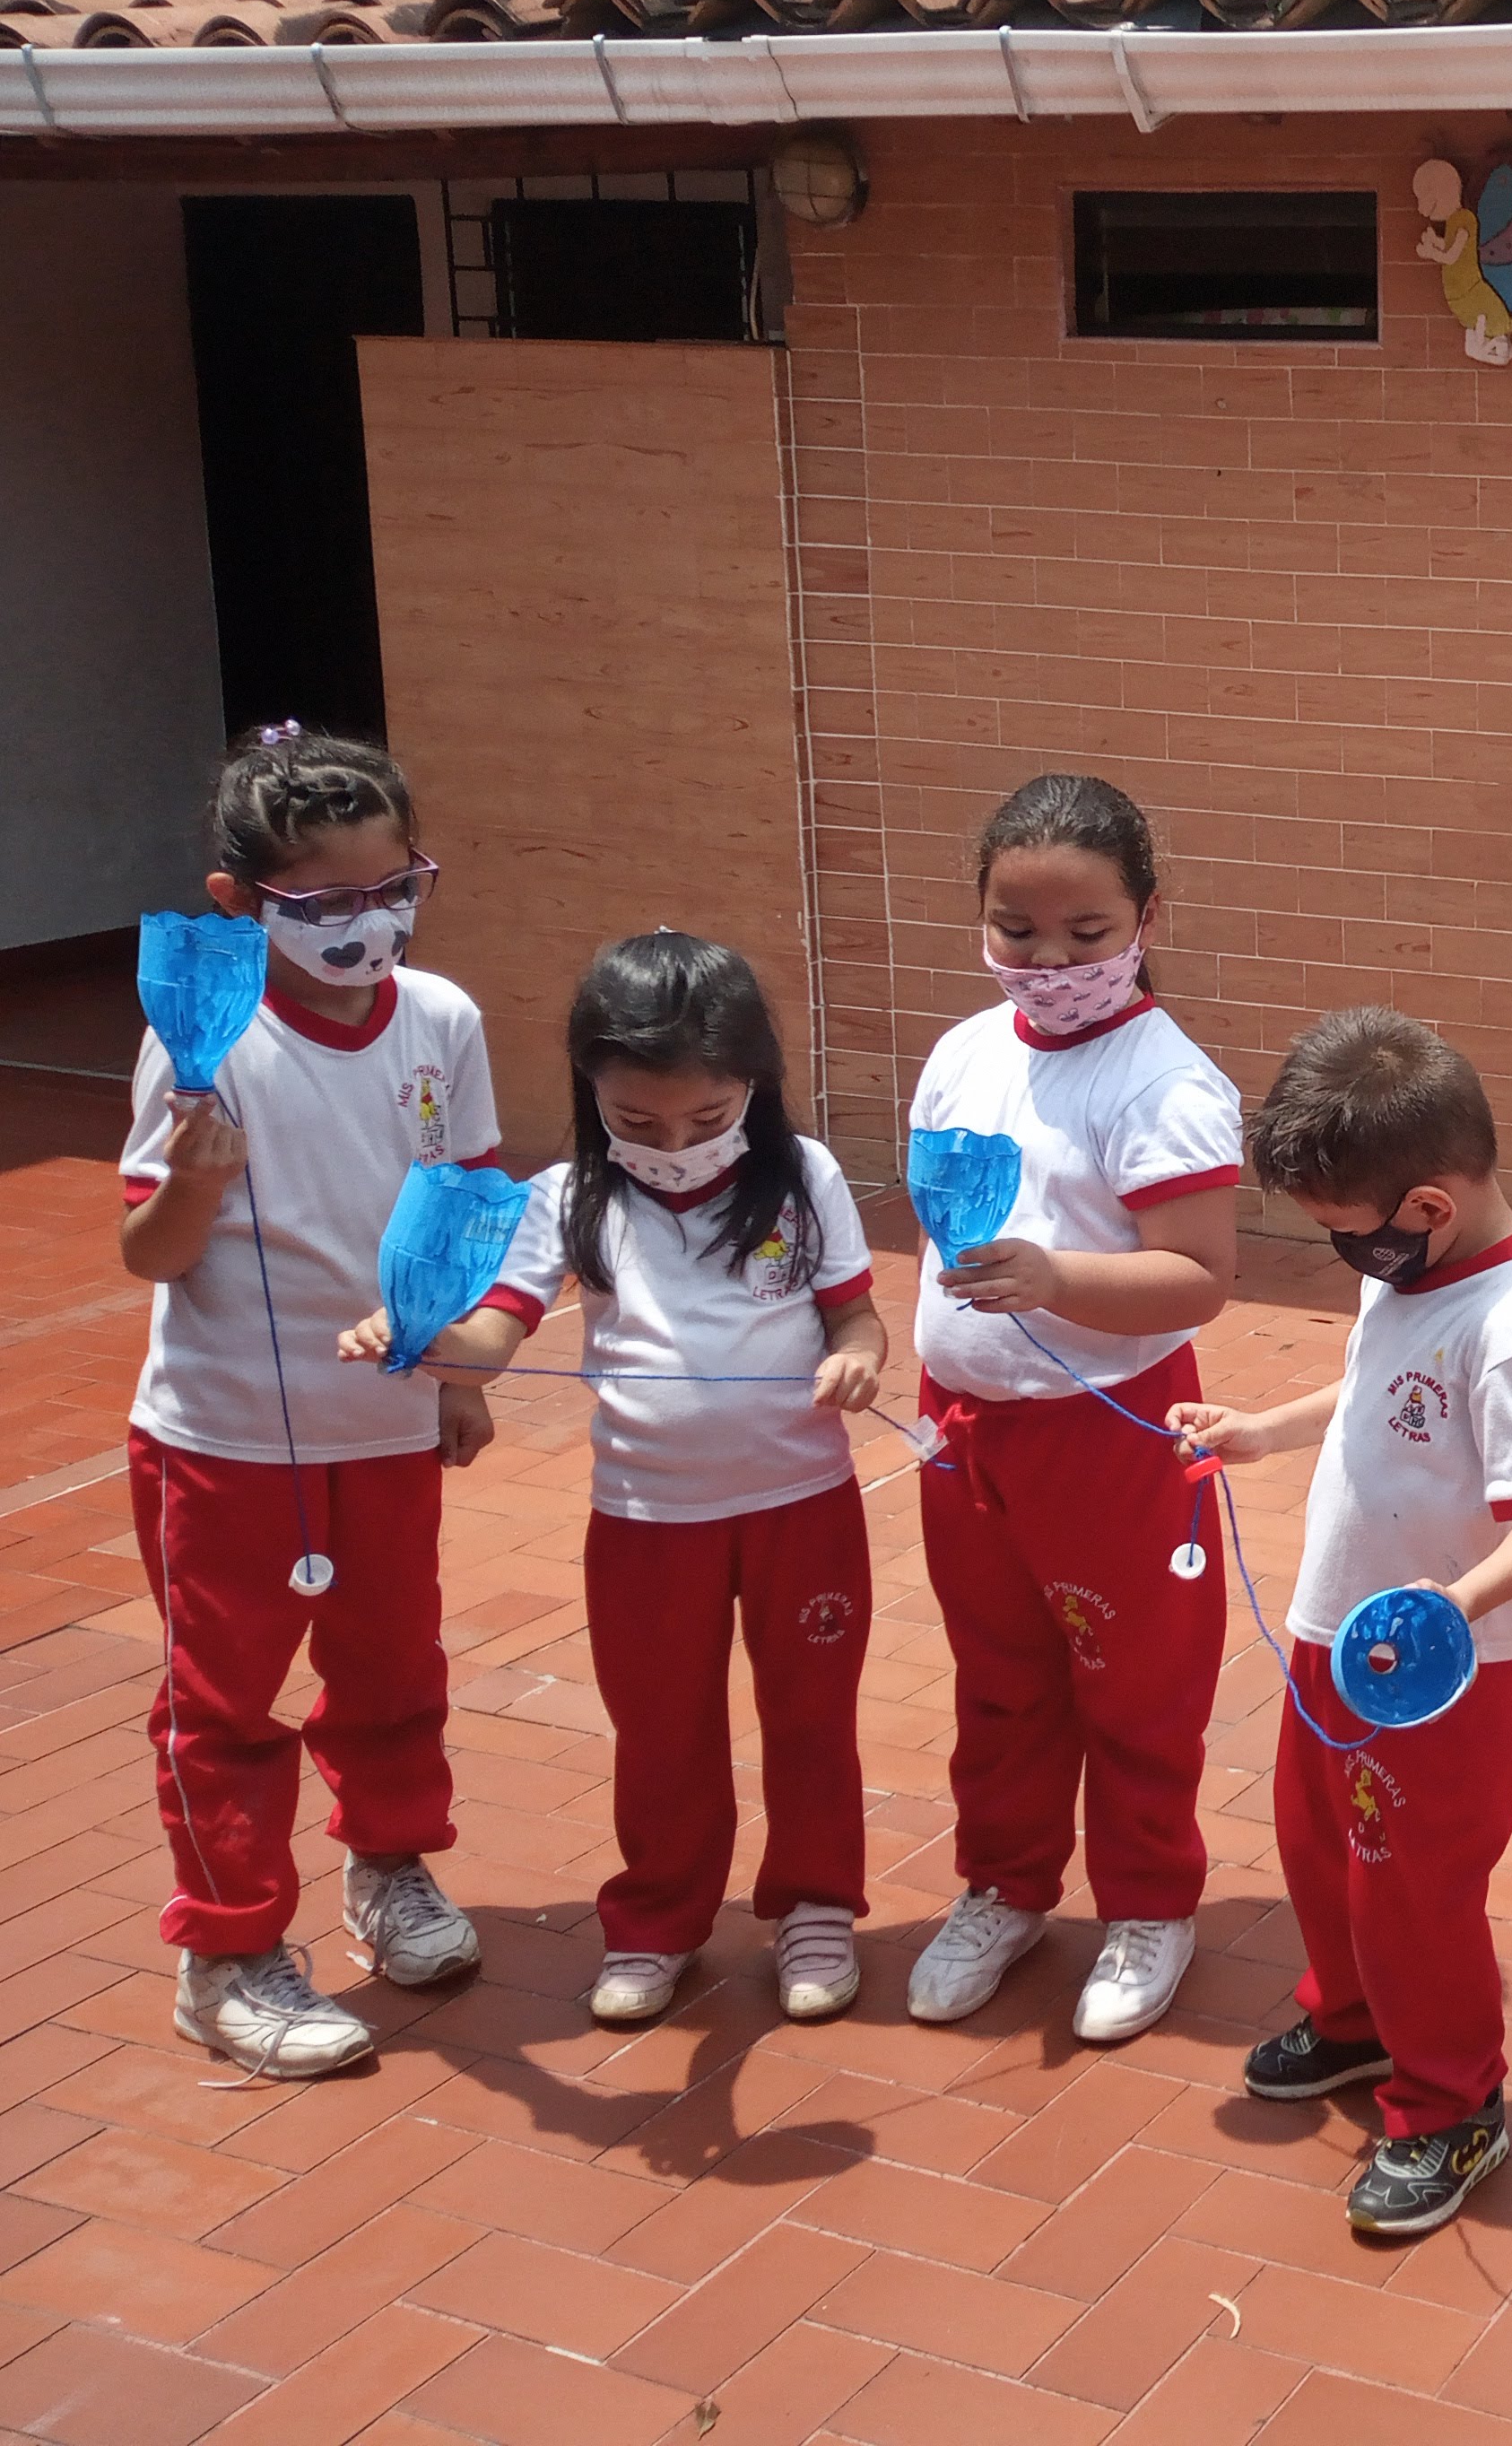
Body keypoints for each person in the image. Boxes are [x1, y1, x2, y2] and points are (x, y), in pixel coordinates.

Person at [348, 935, 884, 2029]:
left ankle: (815, 1904)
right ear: (591, 1092)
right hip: (646, 1519)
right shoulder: (566, 1197)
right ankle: (657, 1919)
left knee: (811, 1718)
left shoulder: (804, 1176)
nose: (672, 1146)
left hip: (803, 1508)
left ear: (755, 1083)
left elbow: (856, 1317)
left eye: (706, 1117)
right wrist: (423, 1335)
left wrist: (859, 1359)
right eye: (637, 1122)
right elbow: (493, 1338)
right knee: (660, 1730)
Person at [118, 726, 500, 2077]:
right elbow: (148, 1255)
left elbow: (463, 1202)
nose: (367, 923)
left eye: (393, 888)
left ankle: (390, 1867)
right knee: (225, 1701)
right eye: (326, 900)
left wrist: (455, 1369)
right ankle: (227, 1953)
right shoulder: (205, 1042)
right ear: (239, 901)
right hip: (226, 1439)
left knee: (393, 1669)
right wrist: (194, 1180)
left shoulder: (442, 1019)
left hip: (384, 1425)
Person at [1169, 1011, 1512, 2240]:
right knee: (1318, 1846)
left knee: (1415, 1889)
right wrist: (1262, 1430)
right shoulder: (1410, 1269)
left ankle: (1453, 2105)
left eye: (1347, 1234)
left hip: (1429, 1670)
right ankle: (1352, 2020)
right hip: (1336, 1629)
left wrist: (1453, 1606)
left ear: (1427, 1208)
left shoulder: (1507, 1328)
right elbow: (1368, 1381)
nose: (1344, 1254)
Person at [902, 774, 1243, 2045]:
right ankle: (1004, 1885)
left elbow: (1198, 1277)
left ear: (1148, 917)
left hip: (1106, 1425)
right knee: (999, 1675)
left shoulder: (1163, 1082)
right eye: (1017, 929)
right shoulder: (962, 1053)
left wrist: (1056, 1280)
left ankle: (1149, 1903)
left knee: (1135, 1679)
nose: (1048, 962)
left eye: (1085, 933)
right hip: (964, 1426)